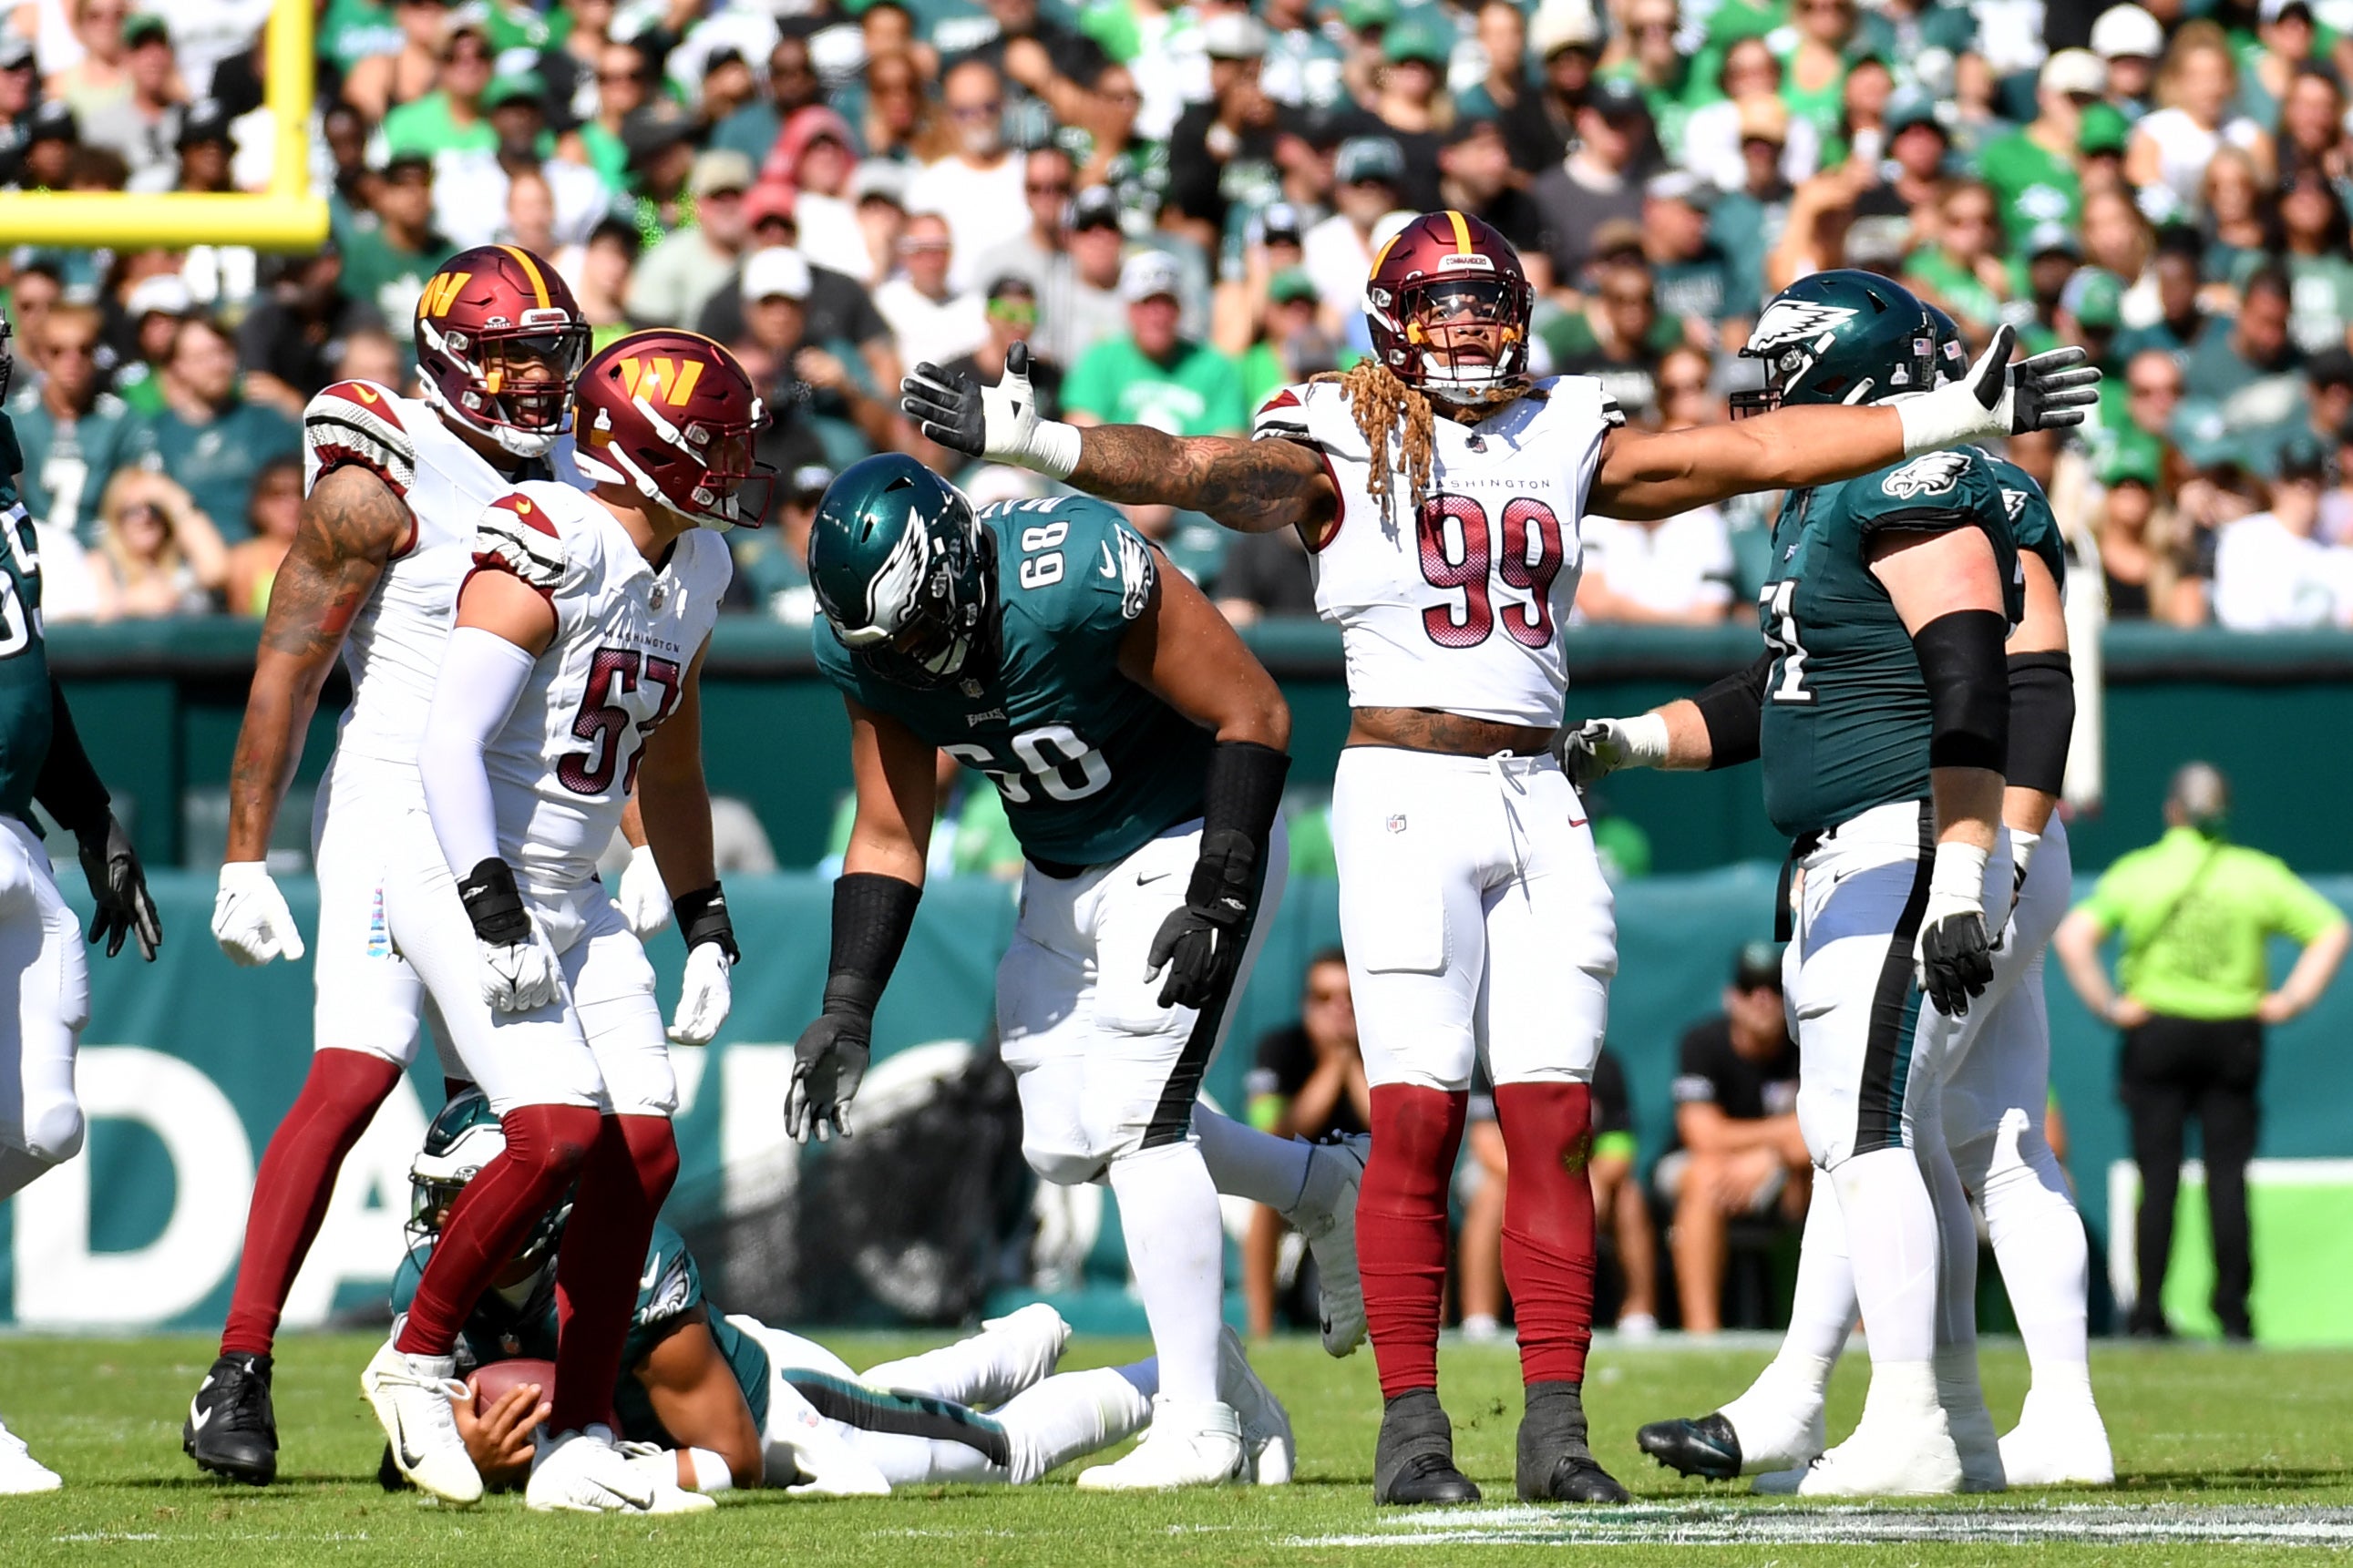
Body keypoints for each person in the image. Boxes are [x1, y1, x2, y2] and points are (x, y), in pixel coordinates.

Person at [904, 223, 2096, 1506]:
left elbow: (1741, 449)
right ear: (1388, 317)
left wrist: (1939, 416)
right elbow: (1198, 468)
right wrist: (1046, 444)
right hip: (1407, 788)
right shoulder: (1338, 430)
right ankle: (1413, 1431)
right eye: (1442, 306)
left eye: (1487, 306)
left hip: (1539, 789)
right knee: (1414, 1119)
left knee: (1553, 1124)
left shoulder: (1565, 424)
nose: (1469, 329)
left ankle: (1553, 1431)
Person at [1563, 271, 2090, 1498]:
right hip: (1898, 838)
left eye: (1787, 366)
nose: (1767, 394)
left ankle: (1870, 1409)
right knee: (1953, 1138)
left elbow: (1997, 683)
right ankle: (1948, 1417)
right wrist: (1639, 738)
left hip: (1922, 835)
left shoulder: (1922, 479)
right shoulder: (1826, 494)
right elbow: (1791, 686)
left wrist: (1979, 862)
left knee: (1863, 1131)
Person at [791, 453, 1367, 1490]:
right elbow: (886, 832)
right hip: (1060, 868)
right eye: (893, 646)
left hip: (1189, 833)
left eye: (924, 628)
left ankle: (1197, 1421)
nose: (917, 663)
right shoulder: (870, 653)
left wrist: (1220, 887)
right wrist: (846, 1003)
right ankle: (1322, 1185)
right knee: (1065, 1142)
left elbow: (1255, 712)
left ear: (959, 565)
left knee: (1141, 1124)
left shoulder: (1073, 569)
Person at [185, 246, 600, 1488]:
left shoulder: (583, 466)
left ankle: (474, 1353)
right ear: (451, 362)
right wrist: (247, 853)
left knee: (537, 1112)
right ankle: (240, 1368)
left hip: (519, 817)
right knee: (359, 1068)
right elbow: (292, 652)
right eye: (510, 354)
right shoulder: (386, 466)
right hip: (387, 796)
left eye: (549, 350)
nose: (536, 378)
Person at [353, 329, 750, 1514]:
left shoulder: (699, 572)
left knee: (644, 1147)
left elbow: (667, 768)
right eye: (719, 442)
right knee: (554, 1131)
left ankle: (579, 1433)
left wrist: (705, 916)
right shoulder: (552, 535)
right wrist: (487, 901)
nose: (738, 464)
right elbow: (447, 741)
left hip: (573, 891)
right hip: (454, 866)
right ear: (652, 448)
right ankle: (414, 1354)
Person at [395, 1090, 1293, 1499]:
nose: (442, 1227)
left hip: (785, 1416)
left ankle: (1186, 1369)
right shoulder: (432, 1281)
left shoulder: (626, 1271)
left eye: (465, 1201)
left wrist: (562, 1461)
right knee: (903, 1395)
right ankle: (1013, 1343)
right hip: (738, 1392)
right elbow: (405, 1427)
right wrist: (465, 1451)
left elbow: (732, 1457)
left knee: (1003, 1450)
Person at [0, 307, 161, 1496]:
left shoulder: (5, 466)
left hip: (13, 827)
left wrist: (92, 809)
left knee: (40, 1127)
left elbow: (26, 663)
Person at [2053, 762, 2349, 1342]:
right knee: (2226, 1178)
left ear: (2172, 811)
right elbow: (2329, 930)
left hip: (2157, 1032)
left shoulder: (2142, 871)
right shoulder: (2254, 874)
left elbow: (2073, 936)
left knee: (2157, 1178)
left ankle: (2146, 1316)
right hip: (2232, 1034)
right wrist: (2291, 1000)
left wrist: (2109, 1006)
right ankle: (2234, 1314)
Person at [1652, 944, 1806, 1337]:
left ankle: (1851, 1338)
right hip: (1696, 1166)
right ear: (1731, 997)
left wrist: (1774, 1157)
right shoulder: (1703, 1042)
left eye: (1773, 988)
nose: (1762, 999)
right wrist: (1779, 1141)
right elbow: (1701, 1135)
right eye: (1750, 987)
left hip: (1783, 1171)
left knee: (1832, 1174)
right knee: (1705, 1177)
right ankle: (1703, 1335)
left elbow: (1824, 1132)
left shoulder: (1806, 1046)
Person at [1243, 948, 1369, 1338]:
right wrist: (1334, 1067)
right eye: (1325, 998)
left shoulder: (1383, 1051)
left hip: (1368, 1181)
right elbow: (1270, 1132)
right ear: (1306, 1004)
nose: (1339, 1009)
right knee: (1263, 1204)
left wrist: (1352, 1065)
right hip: (1298, 1177)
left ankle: (1438, 1330)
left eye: (1350, 998)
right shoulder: (1280, 1047)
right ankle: (1261, 1332)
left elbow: (1397, 1135)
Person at [136, 314, 301, 543]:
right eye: (201, 357)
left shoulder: (266, 422)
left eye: (222, 352)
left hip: (260, 558)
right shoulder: (159, 433)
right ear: (178, 366)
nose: (216, 365)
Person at [5, 300, 142, 541]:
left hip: (101, 551)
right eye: (57, 351)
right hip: (34, 547)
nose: (72, 361)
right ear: (40, 355)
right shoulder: (15, 418)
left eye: (84, 349)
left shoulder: (120, 421)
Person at [88, 466, 226, 614]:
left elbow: (217, 568)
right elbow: (93, 610)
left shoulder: (182, 566)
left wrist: (171, 496)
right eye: (132, 511)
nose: (145, 518)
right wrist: (133, 602)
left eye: (153, 509)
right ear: (116, 518)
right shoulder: (103, 564)